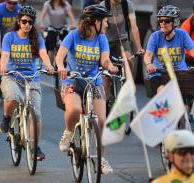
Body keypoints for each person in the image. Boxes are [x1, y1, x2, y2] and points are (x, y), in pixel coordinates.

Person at [55, 4, 118, 175]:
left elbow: (104, 59)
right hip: (73, 80)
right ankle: (69, 131)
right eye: (104, 21)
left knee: (102, 122)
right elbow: (60, 56)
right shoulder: (74, 35)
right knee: (74, 110)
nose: (107, 24)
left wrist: (110, 66)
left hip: (94, 81)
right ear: (95, 21)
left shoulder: (102, 39)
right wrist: (61, 67)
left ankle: (101, 158)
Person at [0, 5, 55, 160]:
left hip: (32, 79)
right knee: (14, 97)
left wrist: (48, 65)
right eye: (24, 21)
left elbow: (43, 53)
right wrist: (3, 66)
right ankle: (6, 116)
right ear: (18, 21)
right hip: (12, 76)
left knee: (36, 114)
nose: (27, 25)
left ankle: (36, 147)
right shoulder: (9, 36)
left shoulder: (36, 38)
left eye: (30, 22)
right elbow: (5, 54)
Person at [144, 5, 194, 88]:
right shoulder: (155, 36)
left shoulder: (182, 35)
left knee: (186, 94)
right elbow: (148, 54)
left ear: (175, 22)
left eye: (167, 20)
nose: (163, 23)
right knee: (162, 90)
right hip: (160, 74)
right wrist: (149, 64)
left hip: (180, 74)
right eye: (161, 20)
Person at [100, 0, 144, 105]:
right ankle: (105, 103)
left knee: (129, 60)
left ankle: (127, 88)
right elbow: (102, 30)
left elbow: (134, 27)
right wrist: (103, 51)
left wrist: (139, 47)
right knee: (106, 73)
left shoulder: (127, 5)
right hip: (107, 40)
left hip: (122, 40)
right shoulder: (104, 5)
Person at [39, 0, 76, 66]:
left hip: (63, 28)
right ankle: (50, 65)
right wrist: (42, 23)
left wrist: (73, 24)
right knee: (51, 47)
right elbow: (42, 15)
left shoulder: (65, 4)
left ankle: (63, 62)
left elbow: (71, 16)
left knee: (65, 46)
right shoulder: (48, 4)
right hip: (52, 28)